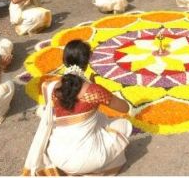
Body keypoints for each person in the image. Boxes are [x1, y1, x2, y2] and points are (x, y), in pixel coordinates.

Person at [22, 40, 132, 175]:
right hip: (84, 160)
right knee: (123, 125)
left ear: (65, 61)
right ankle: (95, 169)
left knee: (99, 119)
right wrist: (99, 90)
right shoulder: (94, 91)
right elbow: (125, 108)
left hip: (56, 155)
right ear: (87, 62)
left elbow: (67, 105)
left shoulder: (49, 87)